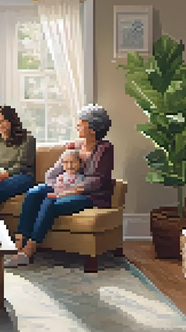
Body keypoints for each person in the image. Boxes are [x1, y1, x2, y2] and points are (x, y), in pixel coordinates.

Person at [9, 104, 114, 266]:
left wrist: (71, 190)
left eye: (81, 123)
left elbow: (98, 181)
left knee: (50, 202)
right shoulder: (73, 147)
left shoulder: (104, 149)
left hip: (89, 196)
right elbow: (52, 173)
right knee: (34, 192)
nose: (77, 125)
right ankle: (17, 245)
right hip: (63, 187)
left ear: (93, 129)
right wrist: (58, 187)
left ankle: (28, 251)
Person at [0, 106, 37, 220]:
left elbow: (21, 166)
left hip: (22, 177)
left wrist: (2, 174)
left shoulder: (28, 139)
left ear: (11, 121)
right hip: (0, 177)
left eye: (2, 121)